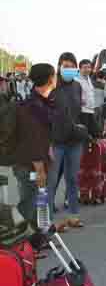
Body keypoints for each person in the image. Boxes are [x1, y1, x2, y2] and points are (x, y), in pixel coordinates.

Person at [13, 63, 56, 231]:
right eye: (54, 75)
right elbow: (33, 141)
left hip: (33, 162)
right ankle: (22, 243)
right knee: (29, 204)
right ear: (50, 79)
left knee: (37, 201)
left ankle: (37, 238)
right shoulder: (34, 107)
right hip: (29, 165)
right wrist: (39, 170)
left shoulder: (40, 102)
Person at [48, 52, 87, 229]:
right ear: (59, 67)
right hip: (55, 142)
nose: (69, 69)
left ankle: (74, 216)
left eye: (72, 66)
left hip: (74, 141)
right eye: (65, 66)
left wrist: (88, 132)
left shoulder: (78, 87)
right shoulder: (51, 87)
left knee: (72, 178)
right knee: (51, 180)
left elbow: (81, 112)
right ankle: (48, 223)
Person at [76, 59, 98, 138]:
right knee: (85, 133)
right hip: (82, 111)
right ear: (80, 68)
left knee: (94, 133)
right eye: (85, 67)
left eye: (89, 67)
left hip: (90, 109)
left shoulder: (89, 78)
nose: (87, 70)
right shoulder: (76, 80)